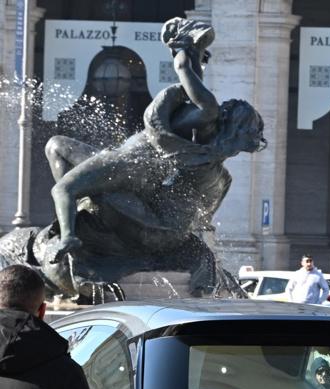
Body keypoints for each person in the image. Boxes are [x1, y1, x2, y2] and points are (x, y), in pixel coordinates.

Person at [44, 18, 266, 265]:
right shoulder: (205, 133)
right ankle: (80, 211)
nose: (226, 103)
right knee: (56, 145)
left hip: (130, 161)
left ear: (232, 118)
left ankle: (69, 237)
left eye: (231, 106)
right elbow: (192, 80)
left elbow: (182, 68)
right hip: (142, 166)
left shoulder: (208, 109)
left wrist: (182, 46)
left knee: (62, 188)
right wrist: (196, 53)